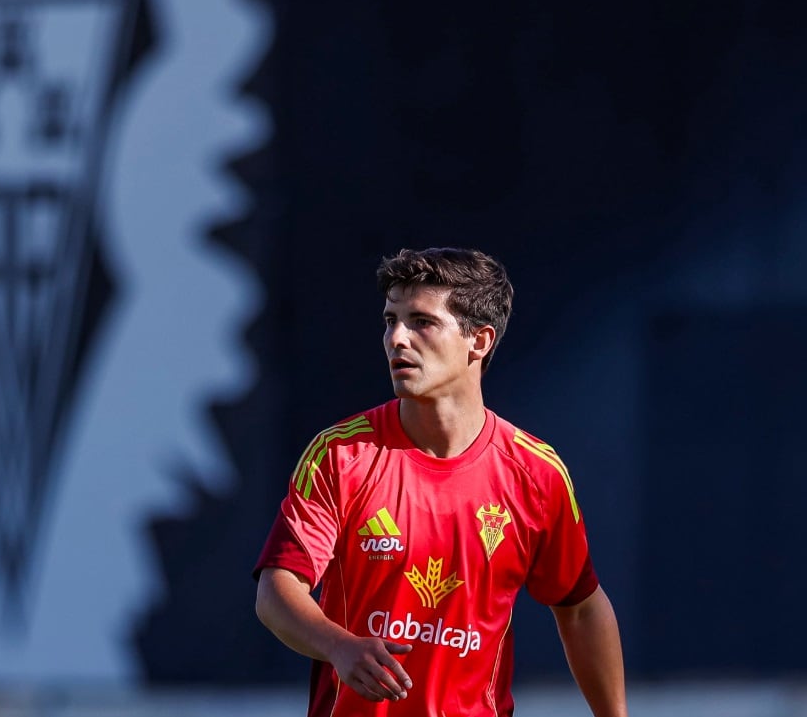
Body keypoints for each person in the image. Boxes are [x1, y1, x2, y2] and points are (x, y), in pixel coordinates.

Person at [254, 247, 628, 717]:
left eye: (421, 322)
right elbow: (276, 590)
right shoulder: (341, 454)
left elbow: (581, 607)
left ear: (480, 341)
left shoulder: (536, 473)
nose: (397, 339)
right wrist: (340, 645)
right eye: (390, 320)